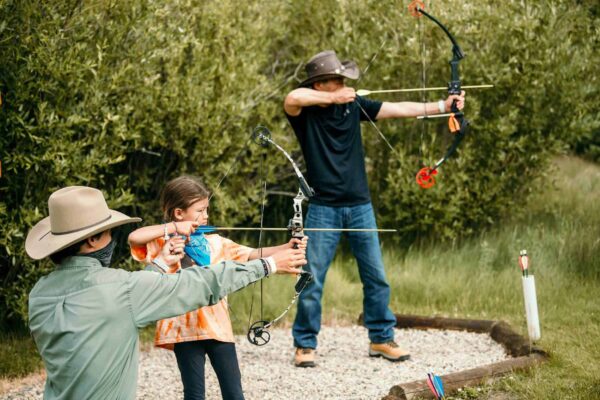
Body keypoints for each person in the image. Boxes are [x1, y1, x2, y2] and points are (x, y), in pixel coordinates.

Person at [25, 186, 306, 399]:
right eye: (108, 231)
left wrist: (160, 264)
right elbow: (200, 284)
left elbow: (121, 298)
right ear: (93, 240)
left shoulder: (38, 295)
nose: (113, 238)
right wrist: (269, 265)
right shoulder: (122, 290)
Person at [284, 50, 466, 367]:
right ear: (320, 85)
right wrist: (333, 98)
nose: (343, 84)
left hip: (360, 207)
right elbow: (292, 97)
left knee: (376, 277)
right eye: (336, 80)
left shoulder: (354, 108)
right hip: (324, 207)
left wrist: (442, 106)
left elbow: (399, 109)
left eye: (344, 79)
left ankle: (381, 339)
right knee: (312, 278)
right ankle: (304, 345)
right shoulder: (305, 114)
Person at [128, 175, 308, 400]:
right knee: (194, 395)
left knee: (234, 393)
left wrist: (287, 247)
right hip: (184, 331)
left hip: (217, 327)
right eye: (200, 211)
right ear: (178, 213)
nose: (206, 216)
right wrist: (174, 228)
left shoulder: (216, 242)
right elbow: (134, 238)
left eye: (206, 210)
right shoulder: (165, 243)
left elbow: (252, 254)